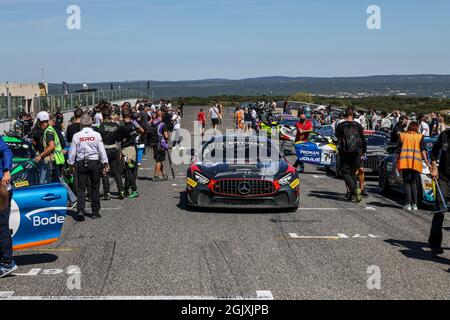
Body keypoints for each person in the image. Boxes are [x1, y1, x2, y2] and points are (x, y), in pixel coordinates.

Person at [68, 114, 109, 221]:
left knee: (81, 188)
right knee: (95, 187)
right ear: (91, 123)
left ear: (81, 123)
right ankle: (95, 212)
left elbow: (72, 152)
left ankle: (80, 210)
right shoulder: (96, 135)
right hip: (94, 162)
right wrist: (105, 163)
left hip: (81, 162)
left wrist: (71, 163)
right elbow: (101, 150)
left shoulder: (76, 136)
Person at [335, 107, 367, 203]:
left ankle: (353, 190)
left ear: (345, 114)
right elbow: (363, 140)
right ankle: (353, 194)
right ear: (353, 115)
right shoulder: (358, 126)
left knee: (345, 172)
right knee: (353, 173)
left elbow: (336, 138)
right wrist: (364, 151)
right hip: (356, 152)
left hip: (344, 152)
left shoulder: (340, 126)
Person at [396, 121, 430, 211]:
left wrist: (396, 161)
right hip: (416, 162)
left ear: (409, 127)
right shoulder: (420, 137)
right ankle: (415, 204)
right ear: (417, 128)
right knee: (414, 183)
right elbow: (423, 150)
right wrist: (426, 161)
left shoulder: (402, 135)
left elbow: (398, 151)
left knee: (407, 183)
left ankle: (408, 204)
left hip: (405, 162)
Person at [429, 127, 450, 256]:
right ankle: (435, 244)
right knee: (439, 210)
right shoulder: (444, 135)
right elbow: (434, 151)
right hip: (443, 177)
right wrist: (434, 166)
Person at [99, 108, 125, 200]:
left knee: (105, 171)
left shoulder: (101, 126)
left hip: (105, 150)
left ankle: (107, 192)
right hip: (114, 149)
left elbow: (100, 139)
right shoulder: (115, 125)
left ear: (102, 116)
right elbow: (119, 137)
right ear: (110, 115)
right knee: (116, 171)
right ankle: (121, 190)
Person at [34, 111, 65, 184]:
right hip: (51, 161)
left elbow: (51, 146)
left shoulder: (48, 131)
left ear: (39, 121)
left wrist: (40, 156)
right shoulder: (47, 130)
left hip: (50, 162)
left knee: (45, 183)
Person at [0, 136, 15, 278]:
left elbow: (6, 151)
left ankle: (7, 263)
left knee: (1, 225)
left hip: (2, 186)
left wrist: (6, 170)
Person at [119, 109, 144, 198]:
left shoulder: (124, 127)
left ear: (123, 116)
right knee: (130, 170)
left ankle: (134, 190)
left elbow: (119, 139)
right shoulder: (134, 124)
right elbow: (142, 130)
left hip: (127, 151)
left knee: (129, 171)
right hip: (133, 149)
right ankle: (126, 189)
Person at [150, 110, 169, 181]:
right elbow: (166, 136)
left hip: (154, 143)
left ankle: (163, 174)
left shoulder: (153, 123)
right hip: (160, 144)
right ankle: (155, 176)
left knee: (159, 160)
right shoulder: (162, 124)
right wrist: (167, 138)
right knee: (159, 160)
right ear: (162, 115)